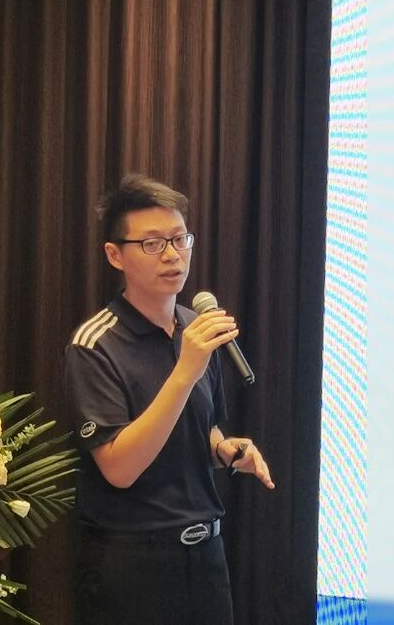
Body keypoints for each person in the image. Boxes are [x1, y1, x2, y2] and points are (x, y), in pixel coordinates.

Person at [63, 173, 274, 625]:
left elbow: (202, 426)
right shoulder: (95, 345)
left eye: (180, 239)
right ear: (114, 254)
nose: (173, 255)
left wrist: (224, 448)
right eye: (153, 243)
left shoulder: (194, 327)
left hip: (206, 557)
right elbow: (119, 468)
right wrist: (184, 371)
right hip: (133, 566)